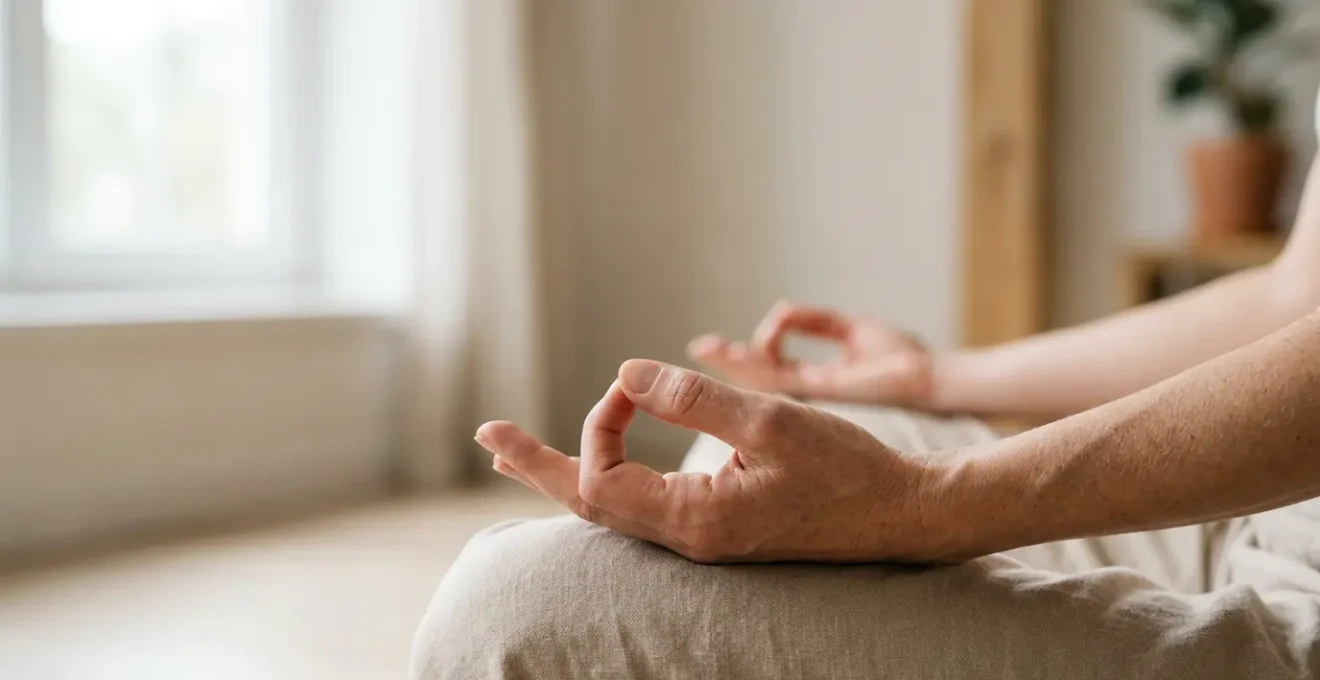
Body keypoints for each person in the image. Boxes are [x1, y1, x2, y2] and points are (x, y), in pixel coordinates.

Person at [411, 130, 1320, 678]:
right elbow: (1292, 301)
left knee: (511, 613)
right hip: (1254, 520)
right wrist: (937, 383)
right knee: (739, 478)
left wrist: (922, 505)